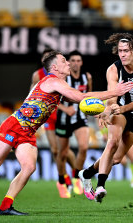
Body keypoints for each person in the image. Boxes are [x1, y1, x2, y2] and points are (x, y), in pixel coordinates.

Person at [0, 50, 133, 215]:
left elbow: (80, 95)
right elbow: (81, 98)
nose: (69, 64)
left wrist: (108, 98)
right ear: (55, 67)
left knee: (29, 167)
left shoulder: (58, 84)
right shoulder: (52, 81)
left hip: (28, 131)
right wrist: (114, 92)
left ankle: (5, 206)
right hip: (15, 126)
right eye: (64, 61)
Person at [79, 33, 133, 203]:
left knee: (116, 159)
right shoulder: (113, 69)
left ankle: (85, 174)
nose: (122, 54)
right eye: (120, 51)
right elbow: (112, 96)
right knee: (112, 142)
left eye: (126, 51)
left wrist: (118, 108)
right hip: (119, 112)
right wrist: (109, 109)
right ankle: (100, 186)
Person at [31, 48, 76, 199]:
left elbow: (66, 94)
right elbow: (34, 96)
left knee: (64, 150)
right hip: (49, 115)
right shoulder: (37, 75)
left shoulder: (62, 73)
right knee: (56, 150)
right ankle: (64, 179)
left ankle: (76, 174)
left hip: (62, 115)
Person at [55, 50, 92, 196]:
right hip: (63, 119)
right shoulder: (62, 78)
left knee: (83, 147)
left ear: (81, 62)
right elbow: (54, 99)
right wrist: (65, 109)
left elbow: (89, 96)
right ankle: (61, 181)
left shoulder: (87, 77)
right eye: (73, 60)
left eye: (78, 60)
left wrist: (95, 112)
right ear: (69, 62)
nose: (76, 63)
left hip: (80, 118)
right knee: (62, 153)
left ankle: (77, 177)